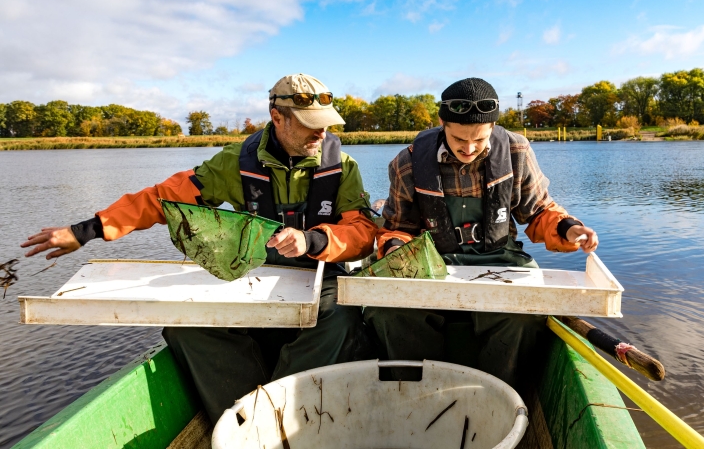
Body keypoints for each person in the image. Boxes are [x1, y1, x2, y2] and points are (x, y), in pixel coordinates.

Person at [21, 73, 378, 423]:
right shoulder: (235, 162)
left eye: (326, 124)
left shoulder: (342, 167)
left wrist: (313, 239)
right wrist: (86, 230)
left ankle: (279, 412)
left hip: (319, 274)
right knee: (186, 325)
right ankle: (247, 416)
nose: (322, 132)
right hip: (254, 276)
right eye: (310, 124)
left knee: (341, 318)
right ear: (277, 118)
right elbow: (162, 199)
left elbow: (361, 232)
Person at [364, 77, 598, 387]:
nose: (470, 149)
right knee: (388, 312)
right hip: (434, 263)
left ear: (493, 127)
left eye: (480, 140)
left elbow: (539, 211)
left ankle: (499, 394)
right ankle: (417, 394)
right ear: (442, 122)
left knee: (524, 314)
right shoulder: (407, 162)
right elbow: (398, 228)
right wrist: (395, 247)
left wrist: (569, 229)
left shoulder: (516, 150)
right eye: (459, 139)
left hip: (502, 260)